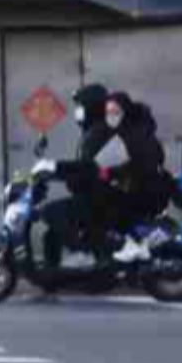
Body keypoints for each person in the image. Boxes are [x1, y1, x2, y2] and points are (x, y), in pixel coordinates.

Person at [38, 82, 118, 266]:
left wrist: (55, 169)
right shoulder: (95, 131)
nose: (78, 111)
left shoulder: (100, 133)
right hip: (94, 196)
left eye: (81, 107)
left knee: (49, 212)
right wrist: (57, 171)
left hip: (100, 199)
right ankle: (52, 274)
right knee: (52, 233)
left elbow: (87, 168)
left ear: (92, 107)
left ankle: (83, 252)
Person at [101, 91, 174, 263]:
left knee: (107, 206)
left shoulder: (134, 134)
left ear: (126, 111)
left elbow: (136, 165)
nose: (111, 116)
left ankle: (133, 244)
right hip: (147, 187)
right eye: (108, 112)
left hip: (147, 191)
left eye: (115, 112)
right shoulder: (136, 130)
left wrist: (108, 173)